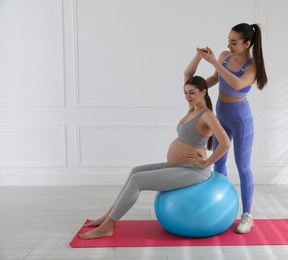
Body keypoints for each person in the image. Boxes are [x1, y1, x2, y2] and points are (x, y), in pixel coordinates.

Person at [78, 75, 231, 239]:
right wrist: (198, 57)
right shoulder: (192, 109)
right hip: (181, 166)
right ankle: (107, 216)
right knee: (135, 171)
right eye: (185, 92)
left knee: (138, 181)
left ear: (203, 92)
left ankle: (107, 227)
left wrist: (206, 162)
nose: (187, 96)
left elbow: (226, 143)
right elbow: (188, 74)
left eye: (192, 93)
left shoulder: (207, 115)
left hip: (195, 171)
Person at [184, 23, 268, 234]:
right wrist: (197, 87)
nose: (228, 45)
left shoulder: (253, 65)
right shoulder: (223, 56)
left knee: (242, 166)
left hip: (240, 118)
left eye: (233, 42)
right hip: (221, 113)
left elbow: (238, 84)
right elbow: (216, 78)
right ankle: (221, 206)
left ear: (247, 43)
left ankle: (247, 215)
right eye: (228, 40)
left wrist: (214, 62)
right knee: (219, 160)